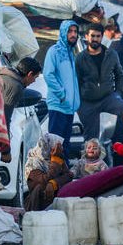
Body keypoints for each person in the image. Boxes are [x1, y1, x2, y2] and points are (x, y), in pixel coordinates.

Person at [75, 23, 123, 147]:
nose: (95, 39)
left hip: (107, 98)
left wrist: (118, 93)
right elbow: (76, 81)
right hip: (88, 101)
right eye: (92, 36)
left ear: (102, 36)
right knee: (91, 140)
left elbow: (120, 75)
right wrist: (80, 103)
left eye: (98, 36)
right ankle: (91, 159)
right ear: (87, 36)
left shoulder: (111, 54)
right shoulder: (80, 58)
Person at [43, 20, 81, 152]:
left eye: (75, 31)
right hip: (58, 106)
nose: (73, 34)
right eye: (70, 31)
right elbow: (48, 74)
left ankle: (64, 166)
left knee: (65, 146)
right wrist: (62, 94)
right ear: (63, 32)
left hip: (69, 108)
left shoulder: (71, 53)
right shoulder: (54, 51)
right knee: (56, 146)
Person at [24, 133, 73, 211]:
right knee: (40, 187)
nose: (61, 149)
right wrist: (55, 163)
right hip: (38, 204)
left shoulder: (57, 157)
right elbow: (43, 181)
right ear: (48, 146)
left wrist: (54, 183)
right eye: (57, 146)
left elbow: (69, 176)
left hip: (57, 201)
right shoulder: (33, 162)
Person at [0, 56, 42, 129]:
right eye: (35, 77)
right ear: (30, 74)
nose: (34, 81)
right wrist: (5, 136)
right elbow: (4, 119)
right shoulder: (15, 87)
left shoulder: (4, 75)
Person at [104, 19, 123, 92]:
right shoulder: (122, 40)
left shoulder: (118, 43)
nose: (105, 34)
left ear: (114, 29)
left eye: (106, 30)